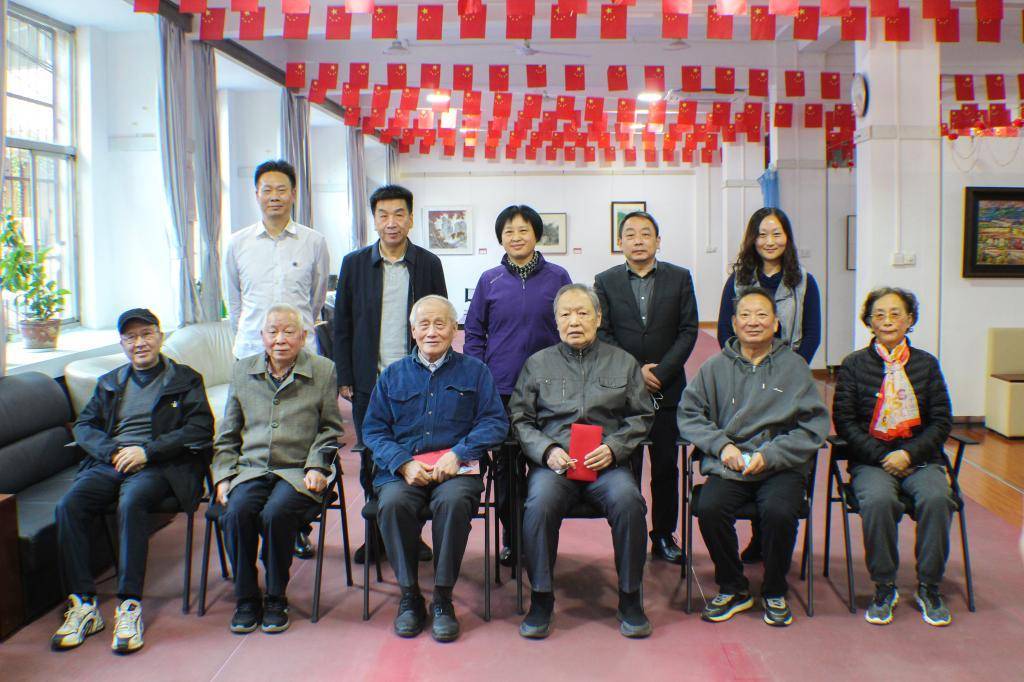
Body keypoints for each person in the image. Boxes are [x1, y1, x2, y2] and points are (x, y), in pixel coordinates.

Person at [52, 309, 214, 653]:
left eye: (146, 334)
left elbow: (200, 428)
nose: (139, 343)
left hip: (160, 465)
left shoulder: (185, 379)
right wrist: (112, 451)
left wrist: (147, 451)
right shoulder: (110, 382)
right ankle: (83, 604)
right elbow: (85, 426)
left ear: (160, 336)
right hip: (112, 461)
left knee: (132, 501)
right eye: (131, 337)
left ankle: (129, 605)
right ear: (122, 344)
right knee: (70, 505)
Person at [510, 284, 655, 639]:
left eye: (582, 313)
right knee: (538, 504)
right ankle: (541, 597)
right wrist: (546, 450)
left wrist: (615, 448)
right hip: (555, 466)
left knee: (629, 502)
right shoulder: (537, 364)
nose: (574, 321)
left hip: (606, 466)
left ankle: (630, 596)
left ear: (598, 318)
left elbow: (641, 415)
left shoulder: (623, 362)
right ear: (556, 320)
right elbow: (520, 419)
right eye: (565, 314)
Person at [678, 287, 828, 627]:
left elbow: (814, 425)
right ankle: (733, 587)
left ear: (776, 323)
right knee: (710, 507)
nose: (753, 321)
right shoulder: (715, 367)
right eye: (745, 315)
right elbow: (689, 414)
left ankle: (774, 590)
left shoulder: (795, 368)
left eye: (762, 315)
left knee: (779, 511)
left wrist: (772, 454)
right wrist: (722, 446)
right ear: (733, 323)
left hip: (780, 466)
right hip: (730, 464)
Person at [362, 296, 508, 642]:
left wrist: (459, 454)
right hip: (404, 470)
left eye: (440, 324)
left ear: (454, 329)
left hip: (456, 470)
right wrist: (402, 463)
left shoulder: (476, 372)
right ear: (413, 330)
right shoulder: (392, 375)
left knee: (453, 503)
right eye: (424, 324)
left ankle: (442, 597)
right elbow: (373, 430)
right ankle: (410, 596)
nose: (432, 332)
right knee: (392, 504)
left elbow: (494, 422)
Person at [212, 304, 344, 635]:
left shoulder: (323, 370)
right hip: (251, 468)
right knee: (236, 512)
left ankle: (275, 596)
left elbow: (330, 429)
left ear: (303, 336)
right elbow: (228, 432)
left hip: (298, 470)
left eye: (288, 332)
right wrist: (223, 476)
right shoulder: (243, 371)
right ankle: (246, 597)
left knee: (276, 513)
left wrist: (318, 465)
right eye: (273, 332)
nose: (280, 339)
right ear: (262, 336)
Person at [333, 184, 447, 564]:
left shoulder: (428, 263)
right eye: (383, 215)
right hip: (370, 382)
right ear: (374, 220)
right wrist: (345, 375)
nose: (391, 222)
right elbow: (342, 324)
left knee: (416, 456)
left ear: (411, 219)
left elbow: (440, 320)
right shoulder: (354, 264)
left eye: (399, 214)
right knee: (372, 459)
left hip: (418, 382)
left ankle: (411, 536)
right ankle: (376, 536)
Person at [224, 159, 331, 560]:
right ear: (256, 194)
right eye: (266, 189)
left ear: (293, 193)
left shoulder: (313, 241)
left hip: (301, 354)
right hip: (252, 351)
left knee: (300, 435)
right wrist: (260, 337)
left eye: (281, 189)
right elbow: (235, 302)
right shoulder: (237, 243)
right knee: (250, 434)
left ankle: (294, 524)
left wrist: (292, 335)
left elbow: (315, 300)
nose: (274, 196)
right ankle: (246, 511)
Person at [832, 287, 956, 627]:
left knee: (937, 499)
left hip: (920, 458)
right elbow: (844, 421)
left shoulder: (926, 364)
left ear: (909, 319)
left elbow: (942, 420)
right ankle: (884, 586)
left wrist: (908, 453)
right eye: (879, 315)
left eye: (895, 313)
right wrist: (884, 456)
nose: (887, 321)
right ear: (869, 322)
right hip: (872, 460)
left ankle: (929, 587)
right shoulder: (854, 364)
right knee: (878, 501)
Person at [463, 204, 571, 567]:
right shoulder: (489, 280)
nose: (516, 237)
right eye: (508, 231)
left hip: (550, 389)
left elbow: (570, 326)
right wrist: (480, 377)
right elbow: (474, 333)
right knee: (507, 470)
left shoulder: (558, 277)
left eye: (523, 230)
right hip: (503, 389)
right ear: (500, 238)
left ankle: (540, 538)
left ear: (537, 234)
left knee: (544, 464)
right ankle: (512, 539)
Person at [716, 207, 821, 564]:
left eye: (776, 233)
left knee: (777, 447)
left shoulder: (803, 282)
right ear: (752, 239)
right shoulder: (738, 280)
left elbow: (811, 334)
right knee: (749, 441)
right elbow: (725, 331)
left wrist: (789, 371)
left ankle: (767, 536)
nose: (769, 241)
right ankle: (758, 534)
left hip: (787, 377)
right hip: (744, 375)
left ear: (787, 238)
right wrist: (743, 367)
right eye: (762, 234)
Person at [594, 210, 698, 565]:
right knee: (627, 466)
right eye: (630, 234)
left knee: (666, 466)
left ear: (658, 240)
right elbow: (603, 332)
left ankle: (664, 535)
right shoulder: (605, 281)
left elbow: (688, 330)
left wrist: (663, 371)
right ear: (619, 242)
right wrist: (635, 372)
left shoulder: (679, 277)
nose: (638, 240)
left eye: (645, 234)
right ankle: (632, 533)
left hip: (668, 390)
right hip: (623, 392)